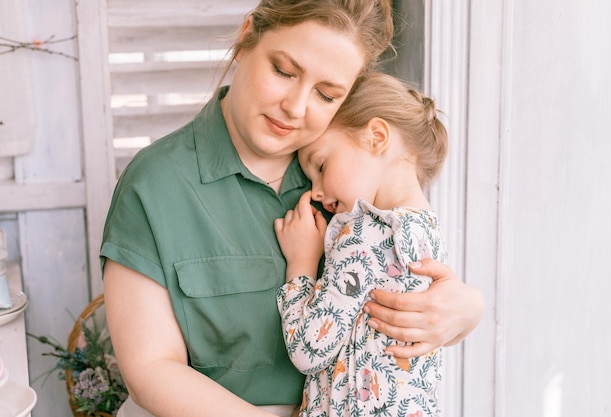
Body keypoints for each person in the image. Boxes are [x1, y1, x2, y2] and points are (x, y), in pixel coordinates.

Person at [101, 1, 485, 417]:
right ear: (246, 38)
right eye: (284, 71)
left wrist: (466, 310)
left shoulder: (348, 177)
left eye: (326, 94)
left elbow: (399, 292)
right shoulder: (155, 184)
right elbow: (151, 369)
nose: (296, 107)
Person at [275, 72, 449, 417]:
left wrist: (301, 264)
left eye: (321, 166)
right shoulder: (427, 231)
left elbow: (309, 349)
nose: (317, 192)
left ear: (376, 137)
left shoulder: (363, 235)